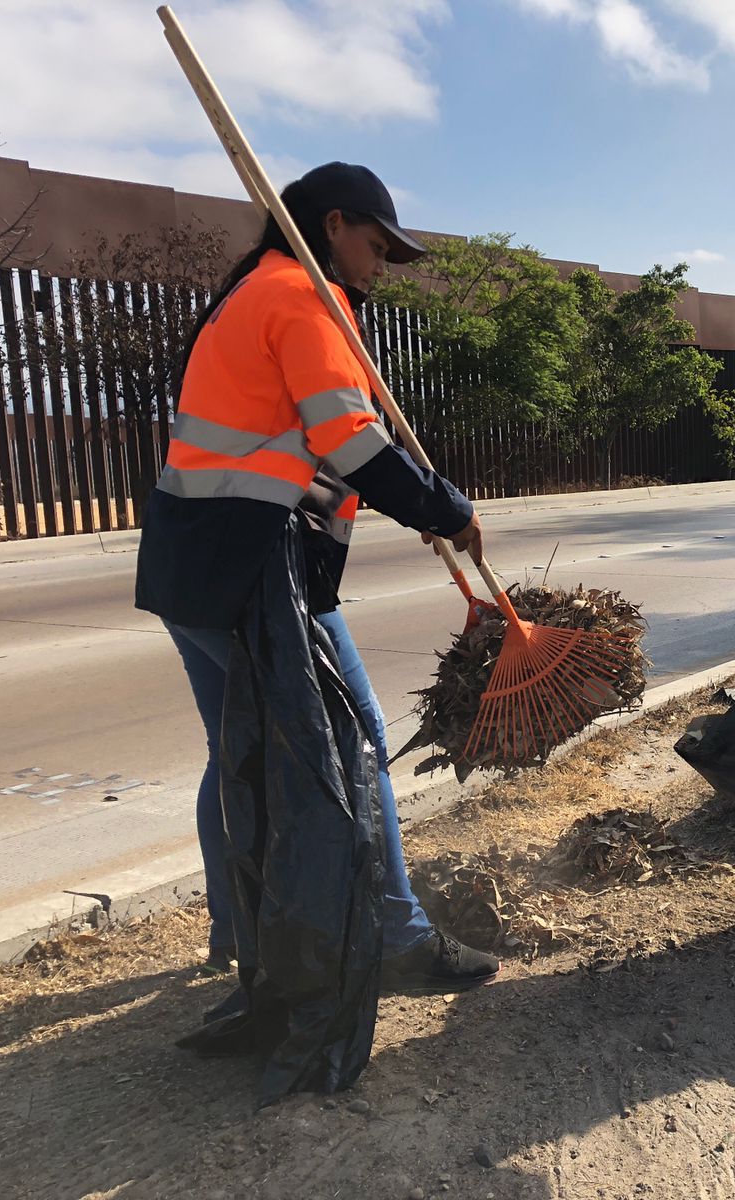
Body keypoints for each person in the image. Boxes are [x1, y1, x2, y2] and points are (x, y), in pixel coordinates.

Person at [135, 161, 500, 991]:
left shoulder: (250, 293)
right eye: (376, 246)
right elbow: (354, 443)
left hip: (190, 563)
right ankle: (397, 938)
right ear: (332, 226)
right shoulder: (300, 299)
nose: (379, 266)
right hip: (256, 576)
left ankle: (241, 937)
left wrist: (389, 502)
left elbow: (294, 445)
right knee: (357, 740)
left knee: (236, 750)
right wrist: (446, 511)